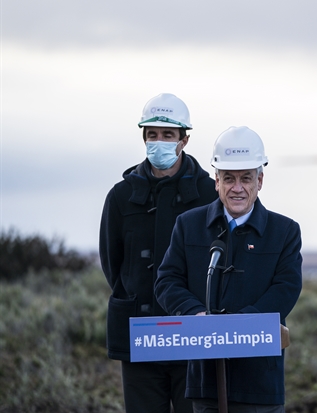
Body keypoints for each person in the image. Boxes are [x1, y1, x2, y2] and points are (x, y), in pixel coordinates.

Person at [154, 126, 302, 413]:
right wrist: (195, 314)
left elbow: (286, 289)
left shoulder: (284, 231)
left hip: (260, 384)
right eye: (229, 179)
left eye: (246, 178)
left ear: (260, 180)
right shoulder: (189, 225)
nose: (237, 188)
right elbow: (167, 281)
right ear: (216, 181)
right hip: (205, 381)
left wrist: (241, 328)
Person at [99, 93, 218, 413]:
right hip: (139, 334)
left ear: (184, 139)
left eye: (168, 135)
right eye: (152, 134)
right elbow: (113, 264)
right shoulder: (121, 196)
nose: (159, 142)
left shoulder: (210, 194)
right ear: (143, 137)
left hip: (193, 337)